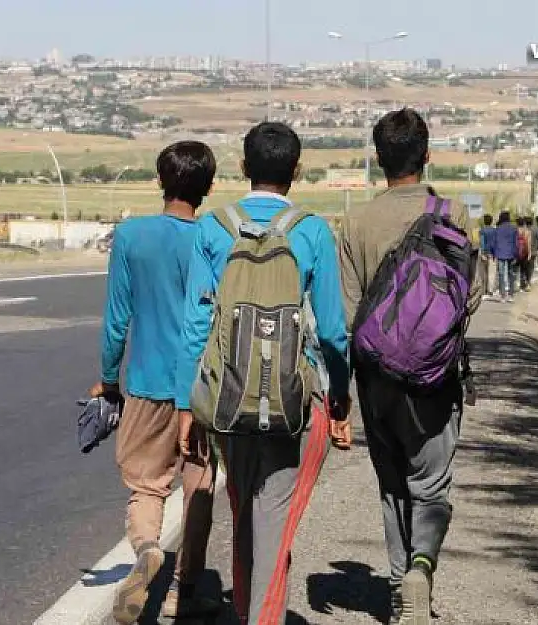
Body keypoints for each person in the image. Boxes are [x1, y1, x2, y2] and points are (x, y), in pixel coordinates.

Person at [174, 121, 352, 625]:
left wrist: (189, 405)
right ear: (296, 171)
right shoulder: (313, 230)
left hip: (228, 399)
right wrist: (340, 398)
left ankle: (253, 611)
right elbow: (335, 332)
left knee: (247, 519)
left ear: (244, 168)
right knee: (275, 526)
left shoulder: (213, 227)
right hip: (295, 401)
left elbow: (196, 323)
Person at [339, 108, 485, 625]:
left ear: (379, 159)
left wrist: (340, 396)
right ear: (426, 156)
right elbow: (472, 298)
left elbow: (347, 318)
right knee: (433, 483)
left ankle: (401, 586)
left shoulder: (356, 223)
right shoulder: (454, 216)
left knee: (392, 484)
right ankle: (422, 568)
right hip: (436, 379)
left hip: (376, 381)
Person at [89, 141, 222, 624]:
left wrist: (107, 380)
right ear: (207, 187)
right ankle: (183, 591)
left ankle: (147, 549)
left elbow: (117, 321)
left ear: (159, 180)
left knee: (147, 487)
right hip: (202, 389)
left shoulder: (131, 236)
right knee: (199, 485)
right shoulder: (213, 237)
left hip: (145, 383)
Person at [490, 211, 518, 302]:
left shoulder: (497, 229)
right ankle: (511, 295)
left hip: (500, 253)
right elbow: (516, 243)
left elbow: (493, 242)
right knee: (511, 274)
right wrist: (516, 254)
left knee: (501, 274)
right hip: (511, 253)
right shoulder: (514, 228)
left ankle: (503, 296)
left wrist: (493, 253)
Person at [479, 214, 496, 301]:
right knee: (491, 273)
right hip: (492, 254)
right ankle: (490, 290)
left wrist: (482, 253)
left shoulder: (482, 230)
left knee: (484, 273)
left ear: (484, 221)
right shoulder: (494, 230)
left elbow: (482, 242)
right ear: (491, 221)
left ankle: (484, 290)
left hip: (485, 253)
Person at [521, 215, 537, 290]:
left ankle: (523, 282)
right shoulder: (534, 230)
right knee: (530, 268)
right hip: (532, 252)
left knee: (523, 268)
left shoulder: (523, 231)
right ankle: (528, 282)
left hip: (523, 252)